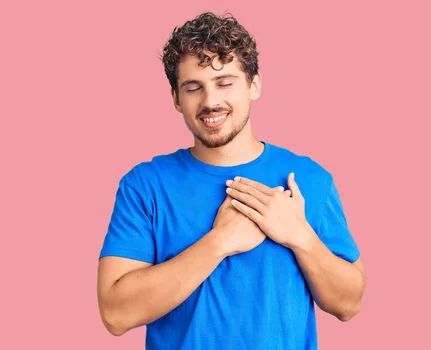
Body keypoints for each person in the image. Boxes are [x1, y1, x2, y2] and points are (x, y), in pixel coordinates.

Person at [96, 11, 366, 350]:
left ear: (254, 85)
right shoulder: (144, 185)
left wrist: (300, 237)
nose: (210, 101)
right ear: (176, 99)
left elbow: (348, 304)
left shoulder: (309, 179)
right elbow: (115, 315)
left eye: (225, 83)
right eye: (193, 87)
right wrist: (219, 241)